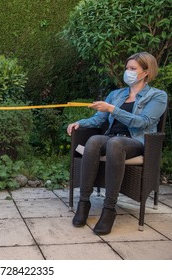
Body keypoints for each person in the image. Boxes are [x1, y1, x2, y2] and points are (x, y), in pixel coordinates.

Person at [66, 52, 167, 235]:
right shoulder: (116, 94)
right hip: (113, 137)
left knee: (115, 144)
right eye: (127, 68)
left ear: (145, 72)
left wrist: (113, 109)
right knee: (94, 140)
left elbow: (144, 122)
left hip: (136, 141)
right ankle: (84, 202)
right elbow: (98, 119)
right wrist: (80, 123)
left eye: (132, 69)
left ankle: (109, 209)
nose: (127, 72)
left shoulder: (157, 96)